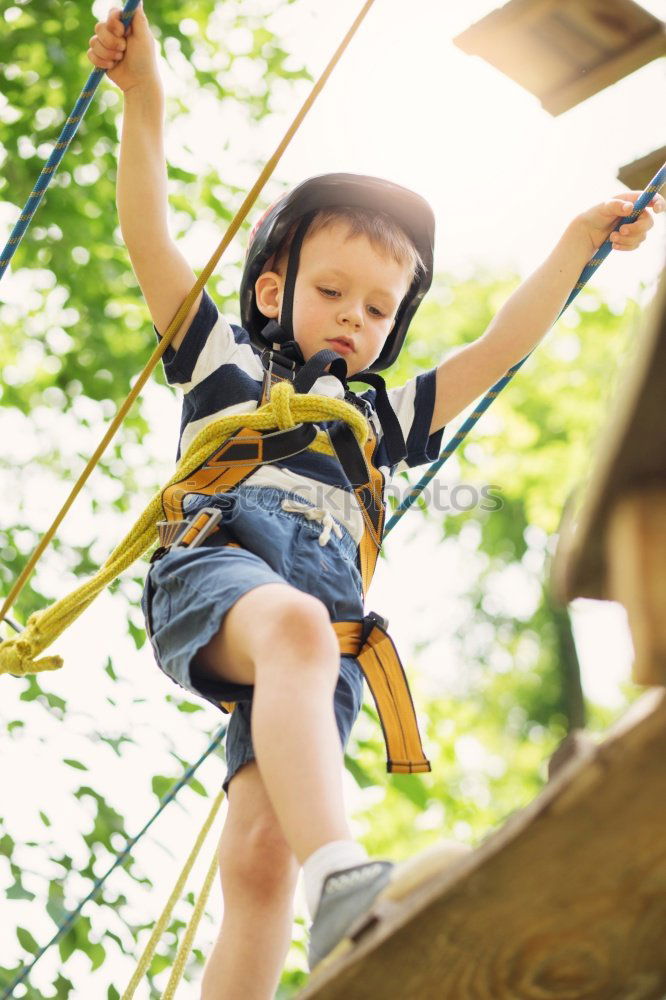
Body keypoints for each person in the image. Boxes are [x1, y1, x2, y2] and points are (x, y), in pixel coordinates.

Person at [87, 5, 663, 997]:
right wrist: (148, 100)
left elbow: (494, 350)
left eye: (377, 308)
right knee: (301, 633)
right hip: (219, 569)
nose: (354, 318)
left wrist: (573, 246)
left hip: (318, 640)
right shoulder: (227, 366)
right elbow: (151, 235)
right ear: (274, 292)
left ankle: (307, 898)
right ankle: (348, 882)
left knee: (265, 853)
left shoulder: (382, 420)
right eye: (333, 291)